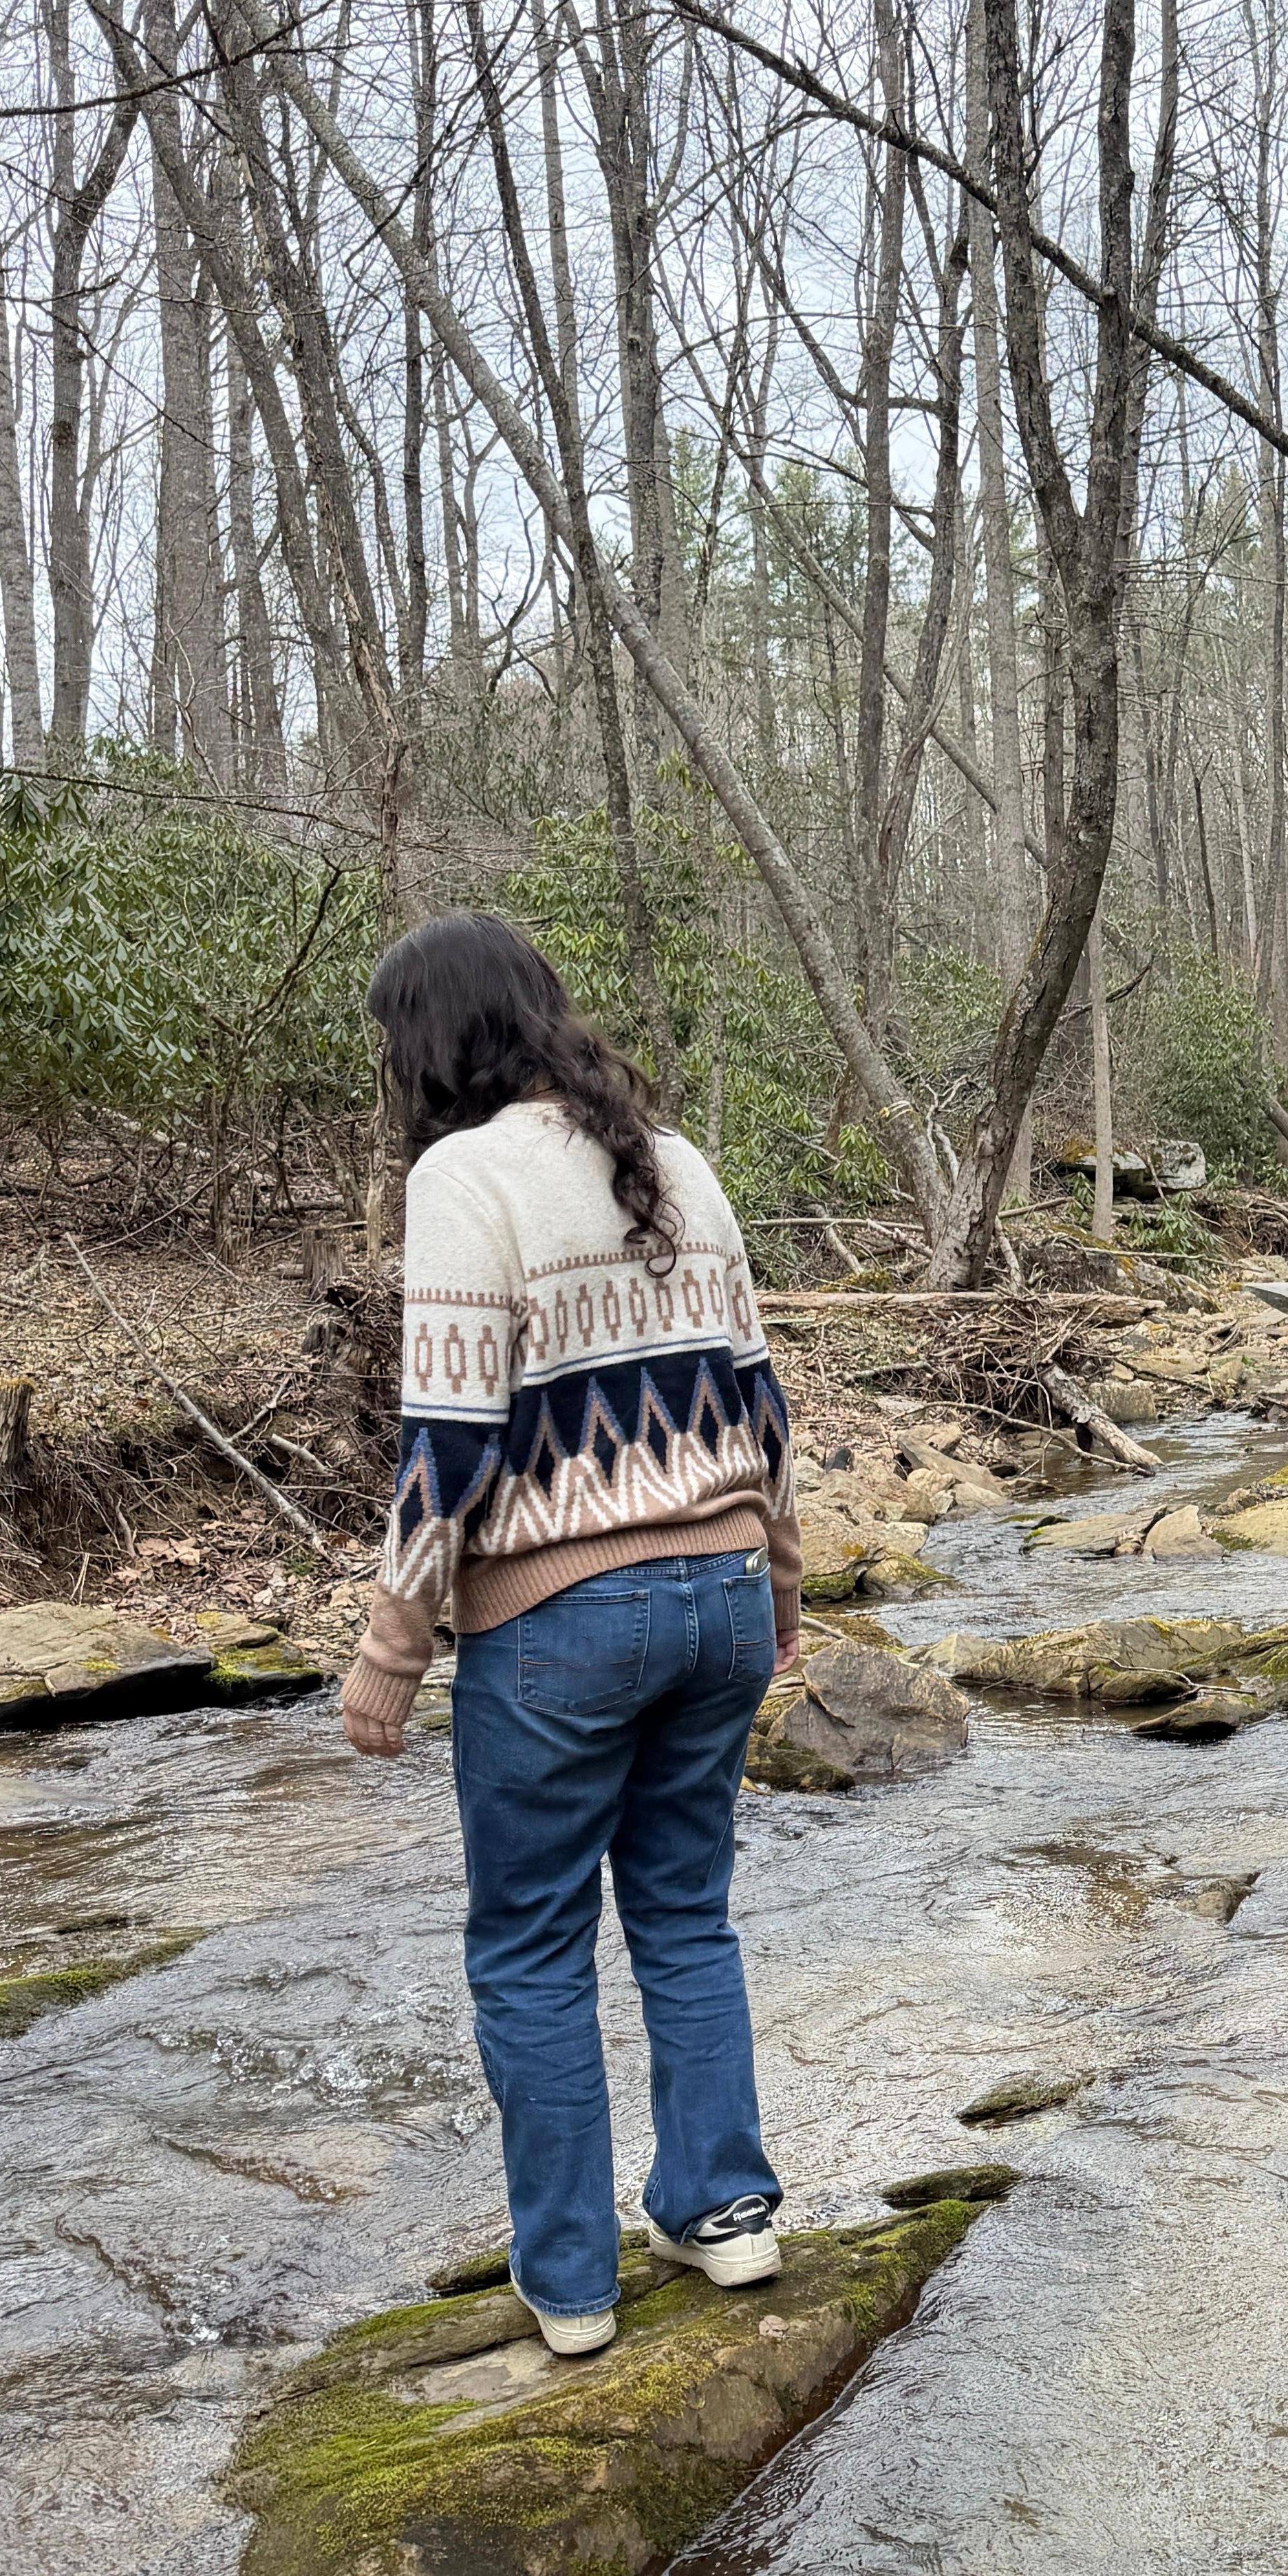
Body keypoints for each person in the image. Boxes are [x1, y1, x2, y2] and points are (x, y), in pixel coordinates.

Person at [339, 915, 802, 2350]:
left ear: (432, 1044)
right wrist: (781, 1583)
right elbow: (762, 1401)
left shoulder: (461, 1176)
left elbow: (451, 1439)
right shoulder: (676, 1161)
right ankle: (725, 2215)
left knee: (533, 1947)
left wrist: (392, 1645)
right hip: (724, 1592)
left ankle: (572, 2284)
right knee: (684, 1915)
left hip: (562, 1617)